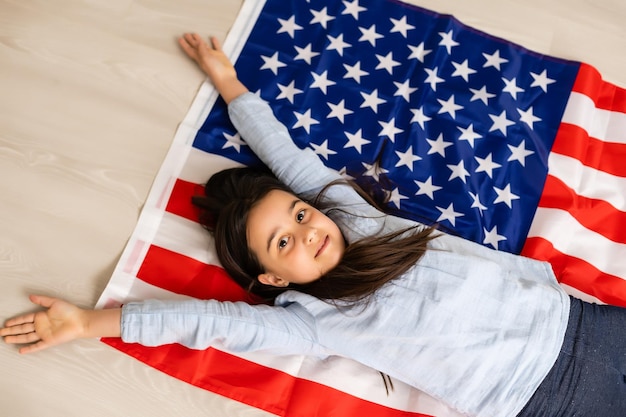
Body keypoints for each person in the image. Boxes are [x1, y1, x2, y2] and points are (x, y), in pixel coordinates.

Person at [2, 33, 626, 417]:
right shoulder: (312, 321)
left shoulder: (355, 220)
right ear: (273, 276)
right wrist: (88, 322)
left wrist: (231, 86)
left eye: (300, 214)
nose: (306, 230)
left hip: (577, 322)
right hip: (547, 401)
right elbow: (200, 323)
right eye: (283, 242)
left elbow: (290, 160)